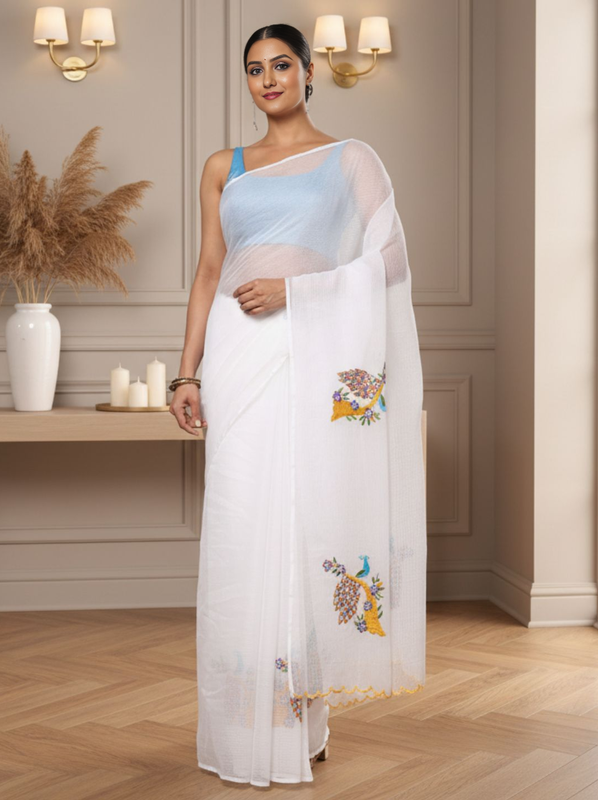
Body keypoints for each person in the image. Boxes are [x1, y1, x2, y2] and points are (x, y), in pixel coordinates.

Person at [169, 22, 427, 788]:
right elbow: (209, 271)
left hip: (310, 351)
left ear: (309, 72)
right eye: (255, 69)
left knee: (304, 518)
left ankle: (303, 716)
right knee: (242, 526)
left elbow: (390, 258)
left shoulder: (351, 159)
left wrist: (296, 291)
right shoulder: (223, 167)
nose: (268, 79)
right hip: (238, 359)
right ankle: (246, 725)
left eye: (281, 64)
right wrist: (186, 375)